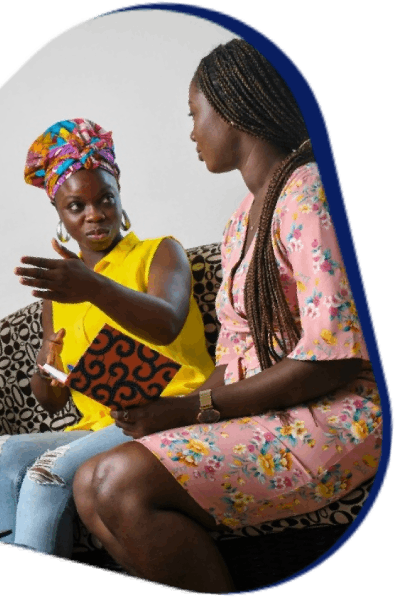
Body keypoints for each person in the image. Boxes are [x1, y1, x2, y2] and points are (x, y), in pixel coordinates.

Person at [72, 40, 382, 593]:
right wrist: (166, 410)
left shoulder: (309, 192)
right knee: (88, 481)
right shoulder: (241, 218)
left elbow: (332, 359)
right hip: (269, 413)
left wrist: (196, 407)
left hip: (335, 415)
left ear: (232, 107)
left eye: (195, 115)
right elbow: (236, 357)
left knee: (119, 480)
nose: (192, 132)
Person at [0, 118, 215, 559]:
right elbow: (51, 401)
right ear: (61, 216)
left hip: (168, 408)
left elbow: (168, 323)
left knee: (47, 473)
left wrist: (94, 288)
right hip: (98, 426)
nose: (94, 213)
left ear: (120, 200)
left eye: (105, 199)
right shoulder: (59, 293)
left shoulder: (158, 253)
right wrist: (48, 364)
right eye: (76, 206)